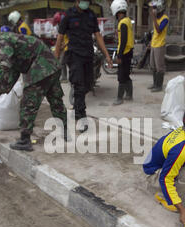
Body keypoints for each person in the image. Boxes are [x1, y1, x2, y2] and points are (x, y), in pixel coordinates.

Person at [0, 32, 68, 152]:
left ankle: (25, 140)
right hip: (52, 66)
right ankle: (65, 132)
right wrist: (0, 91)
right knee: (56, 101)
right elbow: (13, 73)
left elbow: (6, 66)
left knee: (28, 104)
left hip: (40, 69)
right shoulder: (14, 43)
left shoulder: (2, 39)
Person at [54, 0, 113, 133]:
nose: (86, 3)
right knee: (79, 86)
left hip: (88, 55)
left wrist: (107, 55)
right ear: (77, 1)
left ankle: (77, 107)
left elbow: (98, 35)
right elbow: (60, 37)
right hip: (74, 56)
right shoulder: (68, 16)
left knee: (87, 85)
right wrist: (56, 58)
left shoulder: (91, 15)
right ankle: (81, 118)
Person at [110, 0, 134, 105]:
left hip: (124, 52)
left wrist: (119, 55)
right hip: (129, 51)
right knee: (126, 74)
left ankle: (119, 98)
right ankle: (129, 94)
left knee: (121, 76)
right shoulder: (128, 20)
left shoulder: (122, 23)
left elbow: (123, 41)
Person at [148, 0, 168, 93]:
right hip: (154, 44)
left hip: (160, 45)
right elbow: (155, 33)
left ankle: (158, 86)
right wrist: (151, 42)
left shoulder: (165, 18)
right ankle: (155, 83)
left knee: (159, 67)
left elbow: (159, 30)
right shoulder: (156, 18)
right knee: (153, 65)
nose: (153, 10)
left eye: (155, 8)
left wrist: (154, 18)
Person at [52, 12, 69, 83]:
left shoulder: (67, 28)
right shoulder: (63, 27)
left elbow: (69, 39)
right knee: (63, 62)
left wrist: (63, 46)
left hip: (68, 47)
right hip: (66, 46)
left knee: (62, 62)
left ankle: (64, 78)